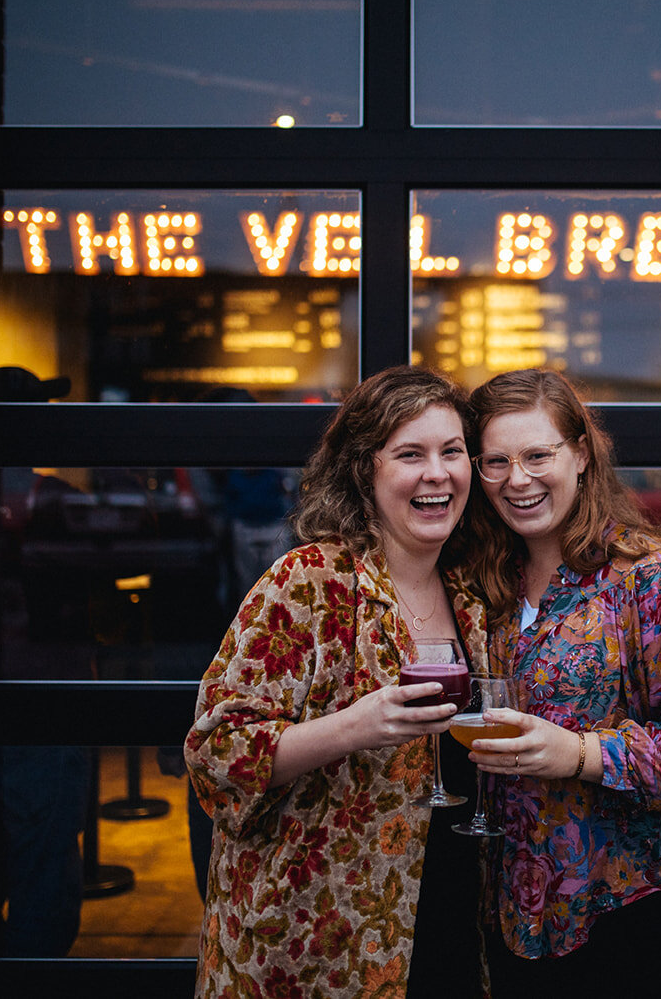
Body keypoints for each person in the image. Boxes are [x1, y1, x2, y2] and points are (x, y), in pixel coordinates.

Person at [183, 366, 488, 999]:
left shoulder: (471, 588)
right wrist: (357, 726)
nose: (438, 473)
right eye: (411, 454)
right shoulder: (310, 581)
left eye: (452, 451)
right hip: (318, 936)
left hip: (444, 917)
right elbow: (216, 753)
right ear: (363, 470)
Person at [461, 368, 661, 997]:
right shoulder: (484, 585)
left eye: (538, 455)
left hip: (637, 917)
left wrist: (581, 754)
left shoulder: (654, 581)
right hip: (516, 916)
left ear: (582, 455)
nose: (518, 479)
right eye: (495, 461)